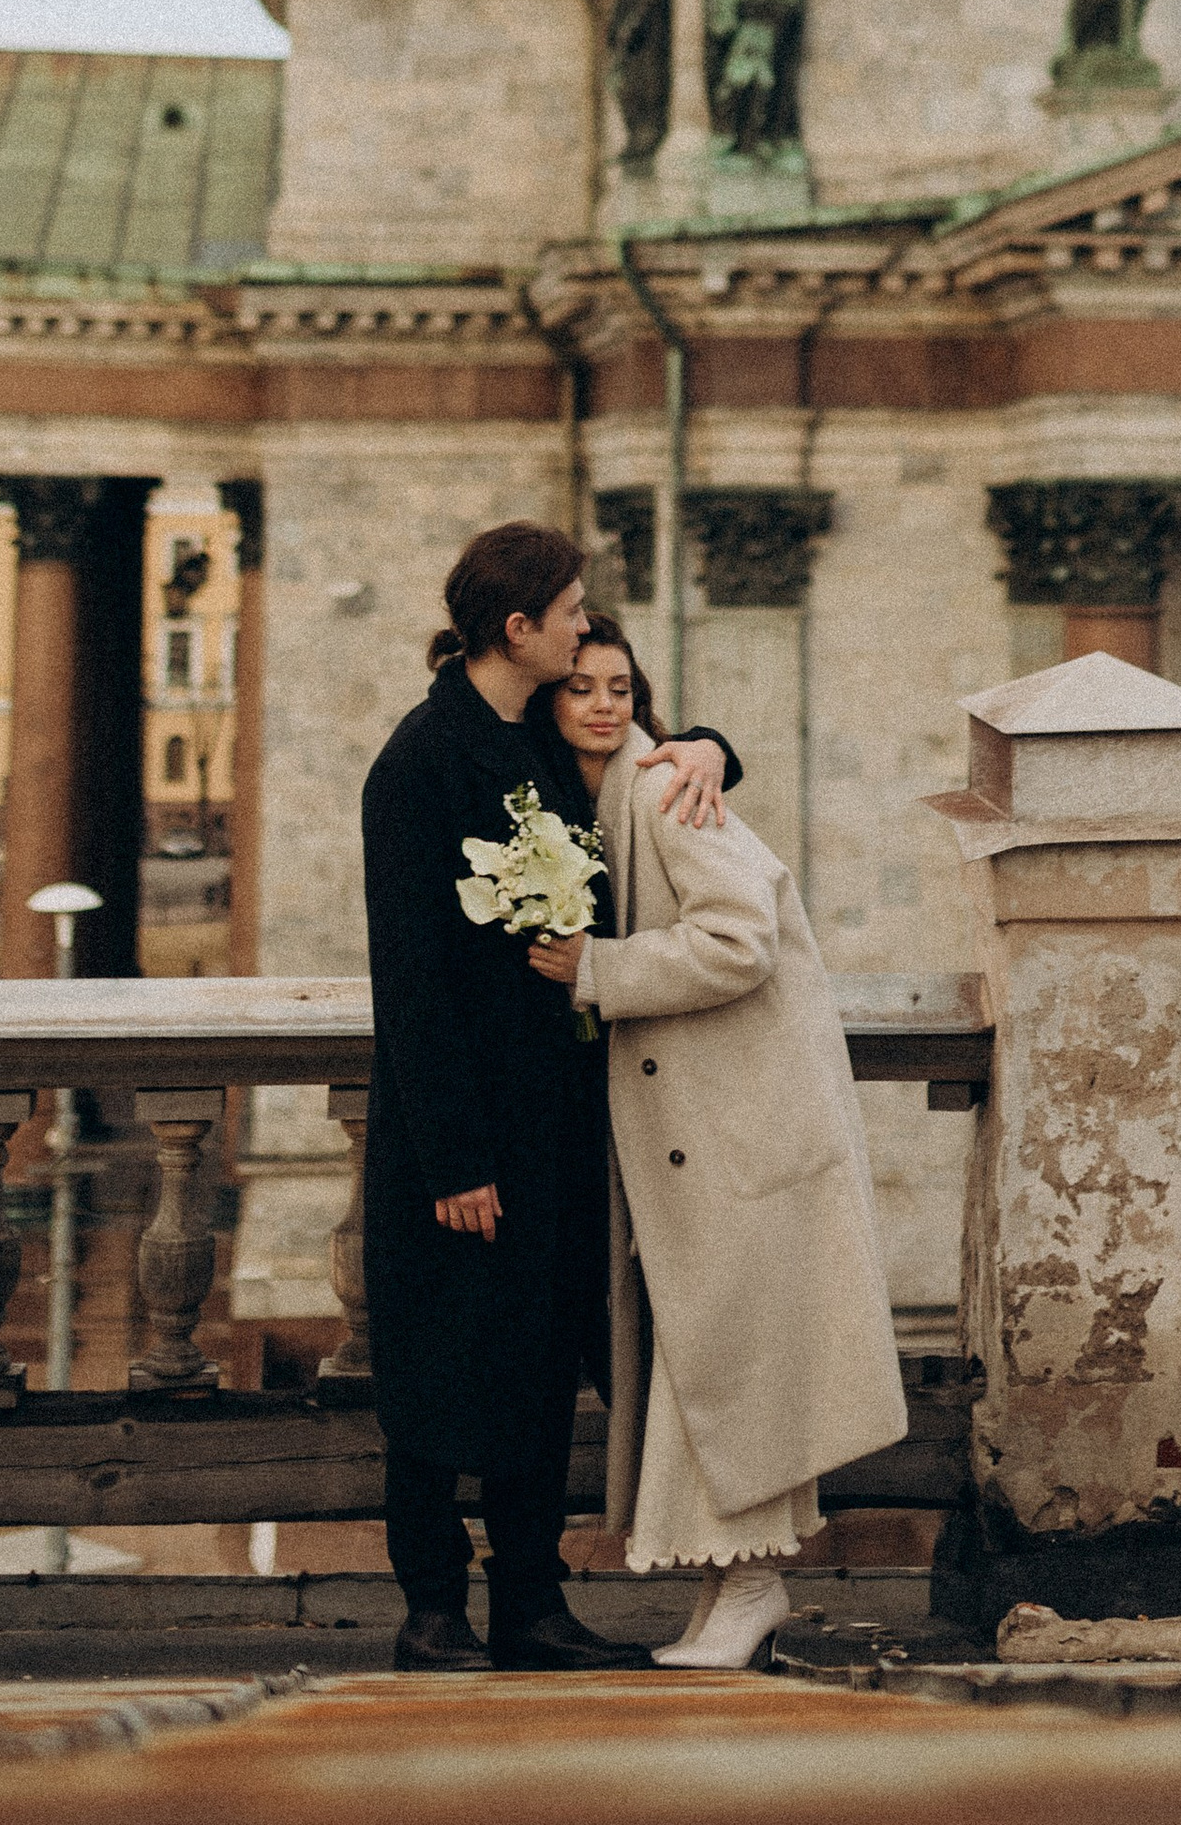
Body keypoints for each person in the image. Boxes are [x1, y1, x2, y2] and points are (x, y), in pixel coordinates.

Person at [360, 522, 737, 1673]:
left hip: (562, 1122)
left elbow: (640, 751)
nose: (586, 629)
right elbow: (410, 980)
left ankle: (531, 1602)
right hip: (461, 1133)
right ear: (517, 629)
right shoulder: (420, 764)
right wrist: (454, 1160)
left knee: (533, 1366)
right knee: (433, 1373)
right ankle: (433, 1611)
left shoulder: (533, 736)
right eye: (571, 613)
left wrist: (710, 743)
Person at [532, 616, 906, 1673]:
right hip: (702, 1128)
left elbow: (737, 938)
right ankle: (730, 1595)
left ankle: (748, 1587)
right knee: (702, 1361)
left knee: (721, 1360)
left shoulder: (653, 788)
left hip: (733, 1126)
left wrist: (596, 971)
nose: (604, 704)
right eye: (580, 687)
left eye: (620, 686)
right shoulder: (613, 795)